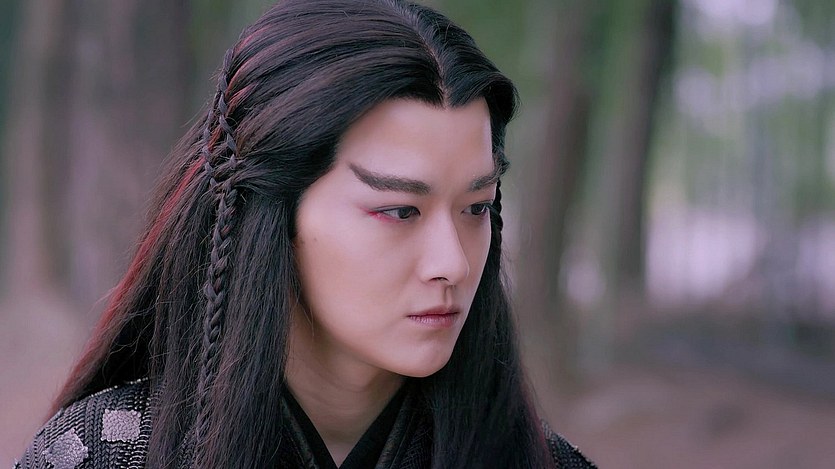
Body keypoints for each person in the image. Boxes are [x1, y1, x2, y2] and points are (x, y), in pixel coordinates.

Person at [16, 0, 596, 467]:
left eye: (476, 208)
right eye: (400, 211)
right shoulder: (108, 453)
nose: (454, 263)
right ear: (275, 214)